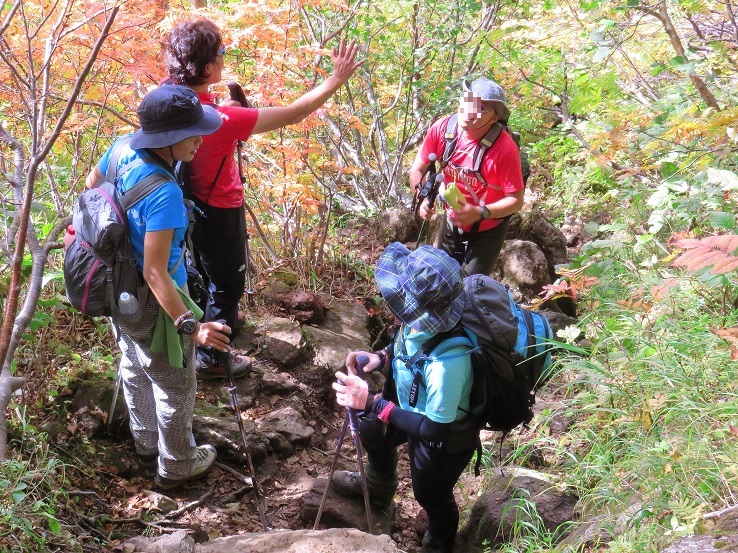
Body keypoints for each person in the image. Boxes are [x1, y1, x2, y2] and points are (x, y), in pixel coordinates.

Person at [164, 18, 363, 379]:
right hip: (220, 208)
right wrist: (336, 78)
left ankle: (217, 319)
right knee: (228, 283)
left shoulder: (169, 100)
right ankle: (212, 360)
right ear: (208, 67)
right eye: (221, 53)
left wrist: (223, 105)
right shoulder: (224, 118)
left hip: (182, 206)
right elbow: (295, 113)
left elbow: (205, 124)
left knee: (204, 268)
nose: (225, 58)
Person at [85, 85, 234, 489]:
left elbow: (91, 185)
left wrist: (121, 239)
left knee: (134, 365)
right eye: (193, 133)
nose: (200, 141)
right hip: (156, 301)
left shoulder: (121, 148)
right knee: (176, 385)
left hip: (117, 287)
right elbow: (156, 272)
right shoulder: (165, 193)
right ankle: (178, 465)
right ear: (167, 139)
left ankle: (146, 441)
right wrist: (192, 326)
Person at [330, 243, 478, 553]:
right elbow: (405, 346)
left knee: (431, 494)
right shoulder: (419, 322)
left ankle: (441, 541)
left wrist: (374, 403)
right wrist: (379, 358)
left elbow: (434, 430)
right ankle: (378, 486)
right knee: (373, 428)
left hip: (444, 436)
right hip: (413, 408)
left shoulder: (449, 363)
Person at [409, 77, 525, 277]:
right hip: (452, 219)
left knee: (472, 287)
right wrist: (423, 198)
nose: (470, 111)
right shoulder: (443, 130)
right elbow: (416, 170)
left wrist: (479, 212)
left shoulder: (505, 150)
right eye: (468, 101)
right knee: (440, 277)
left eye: (481, 108)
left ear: (494, 117)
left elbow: (516, 201)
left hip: (489, 225)